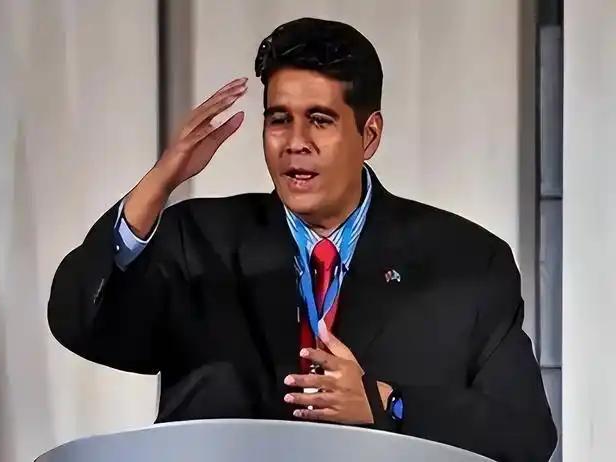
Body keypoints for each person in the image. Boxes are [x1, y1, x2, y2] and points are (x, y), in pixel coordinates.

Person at [48, 17, 557, 461]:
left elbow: (525, 436)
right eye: (279, 120)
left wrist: (387, 403)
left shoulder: (466, 261)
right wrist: (159, 182)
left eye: (319, 120)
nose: (295, 143)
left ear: (369, 135)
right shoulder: (198, 240)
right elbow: (82, 325)